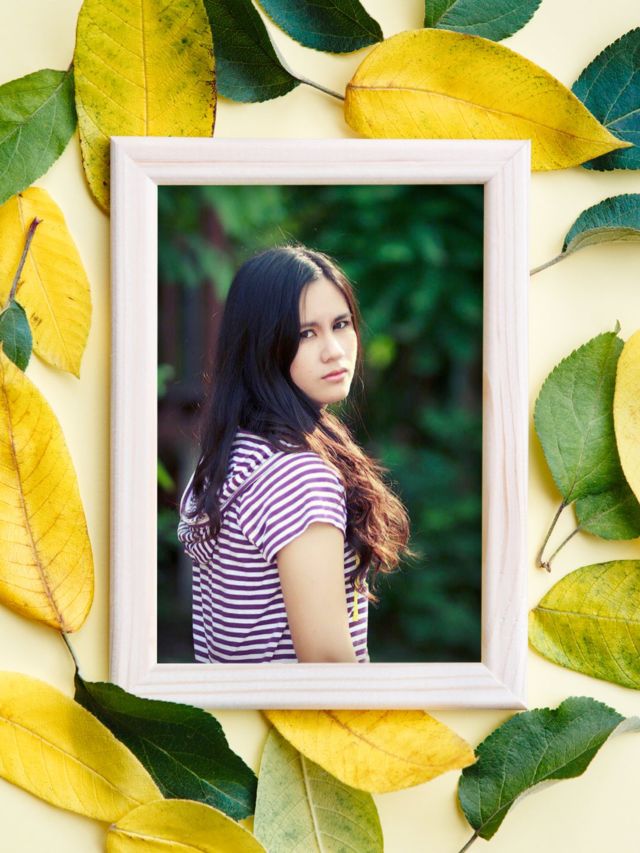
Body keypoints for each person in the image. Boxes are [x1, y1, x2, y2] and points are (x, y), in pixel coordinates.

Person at [178, 245, 412, 663]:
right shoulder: (296, 477)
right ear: (262, 345)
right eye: (306, 334)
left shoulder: (236, 453)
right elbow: (326, 664)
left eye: (340, 324)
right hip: (293, 708)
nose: (334, 350)